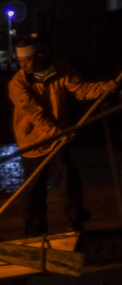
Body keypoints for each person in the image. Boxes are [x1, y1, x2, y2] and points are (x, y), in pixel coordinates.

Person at [9, 36, 121, 236]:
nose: (22, 64)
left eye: (27, 60)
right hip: (33, 141)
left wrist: (105, 87)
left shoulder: (61, 69)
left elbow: (81, 90)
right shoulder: (17, 84)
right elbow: (34, 113)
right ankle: (34, 232)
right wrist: (56, 134)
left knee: (68, 176)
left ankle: (75, 221)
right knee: (34, 188)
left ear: (40, 56)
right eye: (20, 61)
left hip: (59, 136)